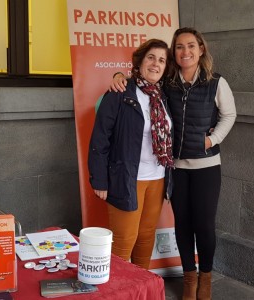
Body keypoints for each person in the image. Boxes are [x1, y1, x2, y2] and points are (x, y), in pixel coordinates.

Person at [109, 27, 236, 300]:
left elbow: (230, 114)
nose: (185, 51)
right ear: (174, 53)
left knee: (203, 224)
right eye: (179, 47)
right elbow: (140, 81)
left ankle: (206, 278)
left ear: (201, 49)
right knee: (182, 225)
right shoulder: (167, 83)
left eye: (191, 46)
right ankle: (189, 278)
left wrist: (211, 140)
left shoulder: (215, 82)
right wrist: (118, 76)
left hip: (206, 166)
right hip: (176, 166)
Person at [88, 39, 174, 270]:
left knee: (146, 238)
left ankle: (142, 291)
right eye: (151, 58)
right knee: (124, 242)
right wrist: (99, 179)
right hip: (126, 178)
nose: (156, 64)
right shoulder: (120, 91)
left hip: (157, 177)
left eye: (162, 60)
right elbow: (100, 138)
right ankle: (119, 293)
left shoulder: (163, 96)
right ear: (140, 61)